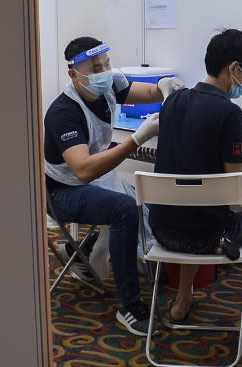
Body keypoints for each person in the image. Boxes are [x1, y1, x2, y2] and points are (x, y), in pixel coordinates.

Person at [43, 36, 185, 335]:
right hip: (62, 192)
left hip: (95, 179)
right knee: (123, 210)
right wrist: (138, 138)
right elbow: (83, 171)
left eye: (106, 64)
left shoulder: (109, 85)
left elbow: (146, 91)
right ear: (73, 74)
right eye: (95, 68)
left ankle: (80, 250)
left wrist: (164, 86)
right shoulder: (63, 113)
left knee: (145, 199)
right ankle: (129, 306)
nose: (104, 72)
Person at [148, 29, 242, 346]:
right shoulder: (230, 114)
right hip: (209, 237)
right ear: (234, 68)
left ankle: (181, 304)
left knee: (194, 206)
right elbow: (235, 182)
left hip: (162, 230)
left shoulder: (173, 102)